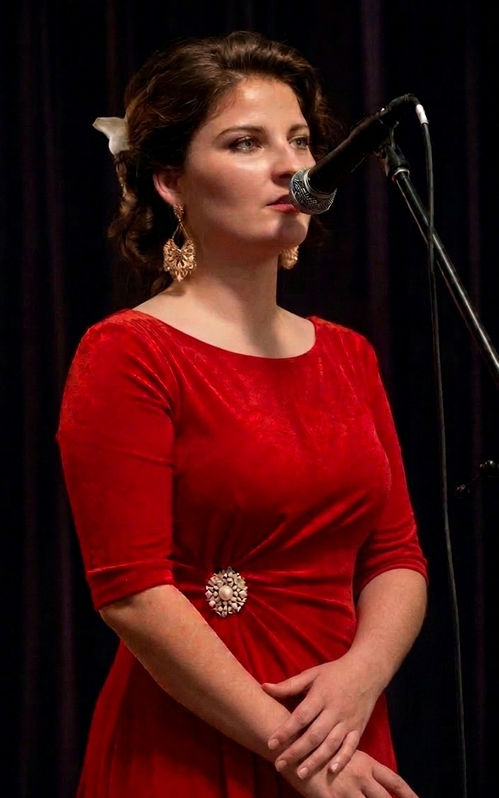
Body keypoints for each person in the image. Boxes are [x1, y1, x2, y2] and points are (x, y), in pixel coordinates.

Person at [57, 30, 428, 798]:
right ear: (171, 182)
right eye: (245, 143)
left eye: (299, 140)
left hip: (340, 721)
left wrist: (363, 674)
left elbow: (397, 557)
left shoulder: (348, 355)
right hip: (205, 734)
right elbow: (132, 593)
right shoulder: (127, 351)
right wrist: (298, 752)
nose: (293, 166)